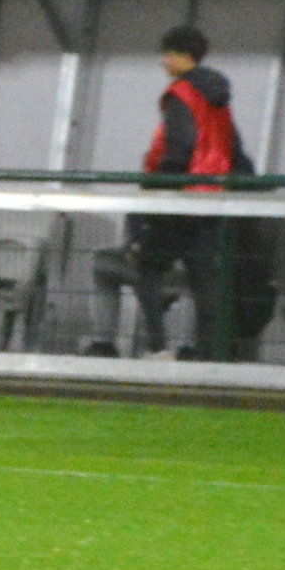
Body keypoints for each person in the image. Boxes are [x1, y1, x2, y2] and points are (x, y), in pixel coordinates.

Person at [87, 24, 265, 359]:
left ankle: (156, 347)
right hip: (212, 200)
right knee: (205, 281)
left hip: (182, 199)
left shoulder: (182, 94)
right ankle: (207, 354)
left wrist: (156, 192)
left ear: (184, 56)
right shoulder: (218, 100)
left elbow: (179, 149)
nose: (163, 61)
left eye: (168, 54)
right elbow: (234, 148)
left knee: (145, 266)